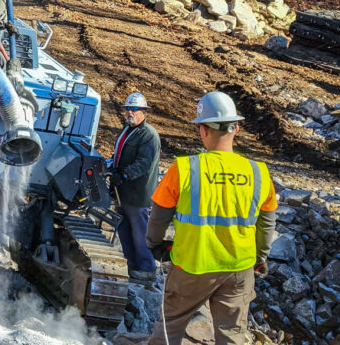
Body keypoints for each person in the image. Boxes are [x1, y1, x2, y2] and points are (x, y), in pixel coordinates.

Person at [145, 91, 277, 345]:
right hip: (238, 268)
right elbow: (266, 223)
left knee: (170, 326)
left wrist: (155, 245)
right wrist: (259, 258)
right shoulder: (259, 172)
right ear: (236, 128)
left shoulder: (184, 168)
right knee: (232, 335)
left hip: (192, 265)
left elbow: (158, 216)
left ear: (203, 130)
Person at [108, 92, 161, 281]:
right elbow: (120, 155)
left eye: (134, 109)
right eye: (127, 109)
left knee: (139, 230)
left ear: (144, 112)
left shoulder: (148, 135)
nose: (130, 112)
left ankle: (146, 268)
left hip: (138, 193)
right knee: (123, 227)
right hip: (122, 191)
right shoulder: (128, 130)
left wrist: (123, 175)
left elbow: (143, 163)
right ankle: (131, 264)